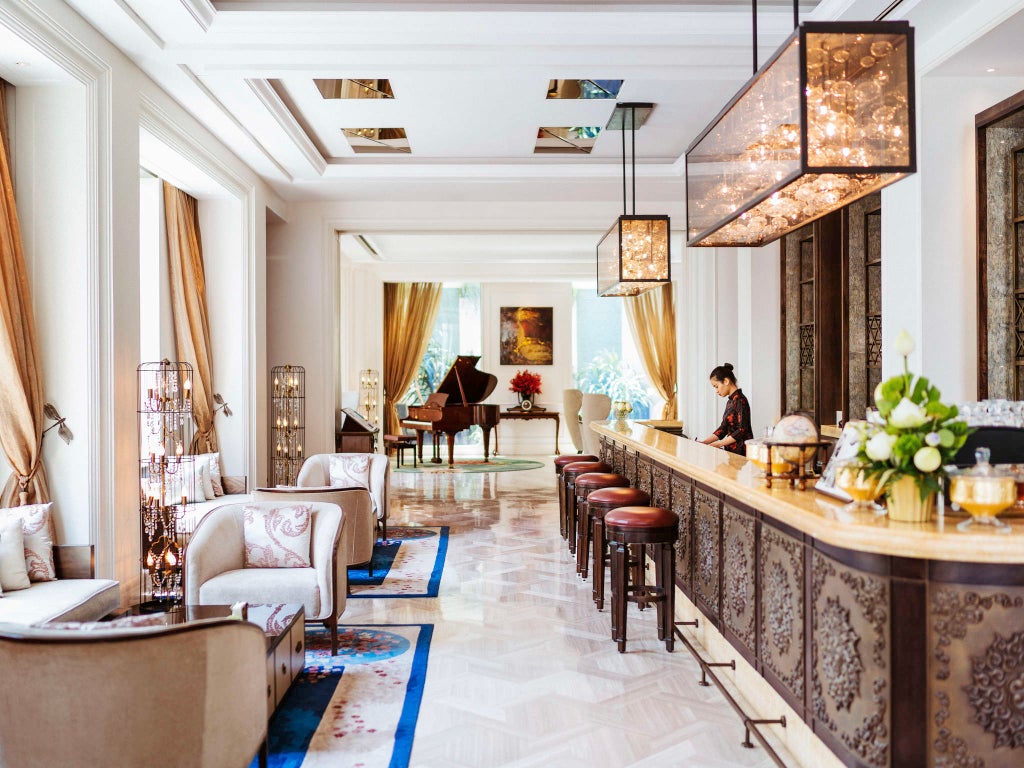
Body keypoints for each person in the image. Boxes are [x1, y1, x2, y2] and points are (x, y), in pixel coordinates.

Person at [700, 363, 753, 454]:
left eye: (716, 386)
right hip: (732, 451)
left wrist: (719, 443)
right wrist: (704, 442)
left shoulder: (740, 400)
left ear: (726, 381)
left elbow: (742, 430)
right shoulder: (730, 402)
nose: (716, 391)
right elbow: (723, 428)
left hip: (742, 452)